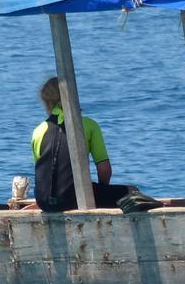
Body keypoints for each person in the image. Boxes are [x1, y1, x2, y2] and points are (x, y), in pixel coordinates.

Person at [30, 77, 132, 210]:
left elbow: (45, 172)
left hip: (44, 201)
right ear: (72, 96)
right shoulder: (88, 125)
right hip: (75, 199)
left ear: (46, 103)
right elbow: (104, 169)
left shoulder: (38, 132)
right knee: (132, 192)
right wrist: (103, 190)